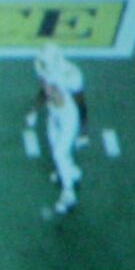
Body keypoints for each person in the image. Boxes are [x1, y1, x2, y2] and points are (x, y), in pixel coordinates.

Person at [26, 41, 86, 217]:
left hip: (68, 117)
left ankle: (69, 194)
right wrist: (34, 111)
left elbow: (81, 103)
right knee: (57, 150)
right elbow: (44, 92)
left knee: (60, 153)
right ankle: (72, 172)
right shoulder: (43, 69)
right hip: (54, 115)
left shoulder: (70, 75)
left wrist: (83, 131)